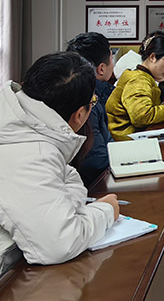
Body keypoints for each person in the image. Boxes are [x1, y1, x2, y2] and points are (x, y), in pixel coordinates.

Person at [0, 52, 119, 266]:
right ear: (80, 115)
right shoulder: (33, 153)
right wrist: (106, 211)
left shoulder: (20, 124)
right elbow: (59, 244)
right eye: (93, 101)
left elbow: (67, 180)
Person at [106, 32, 164, 140]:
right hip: (126, 140)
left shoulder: (146, 77)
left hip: (135, 135)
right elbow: (141, 117)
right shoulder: (138, 79)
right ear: (153, 57)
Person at [66, 32, 115, 186]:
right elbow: (96, 162)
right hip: (90, 185)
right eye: (112, 59)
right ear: (101, 68)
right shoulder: (88, 100)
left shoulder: (97, 94)